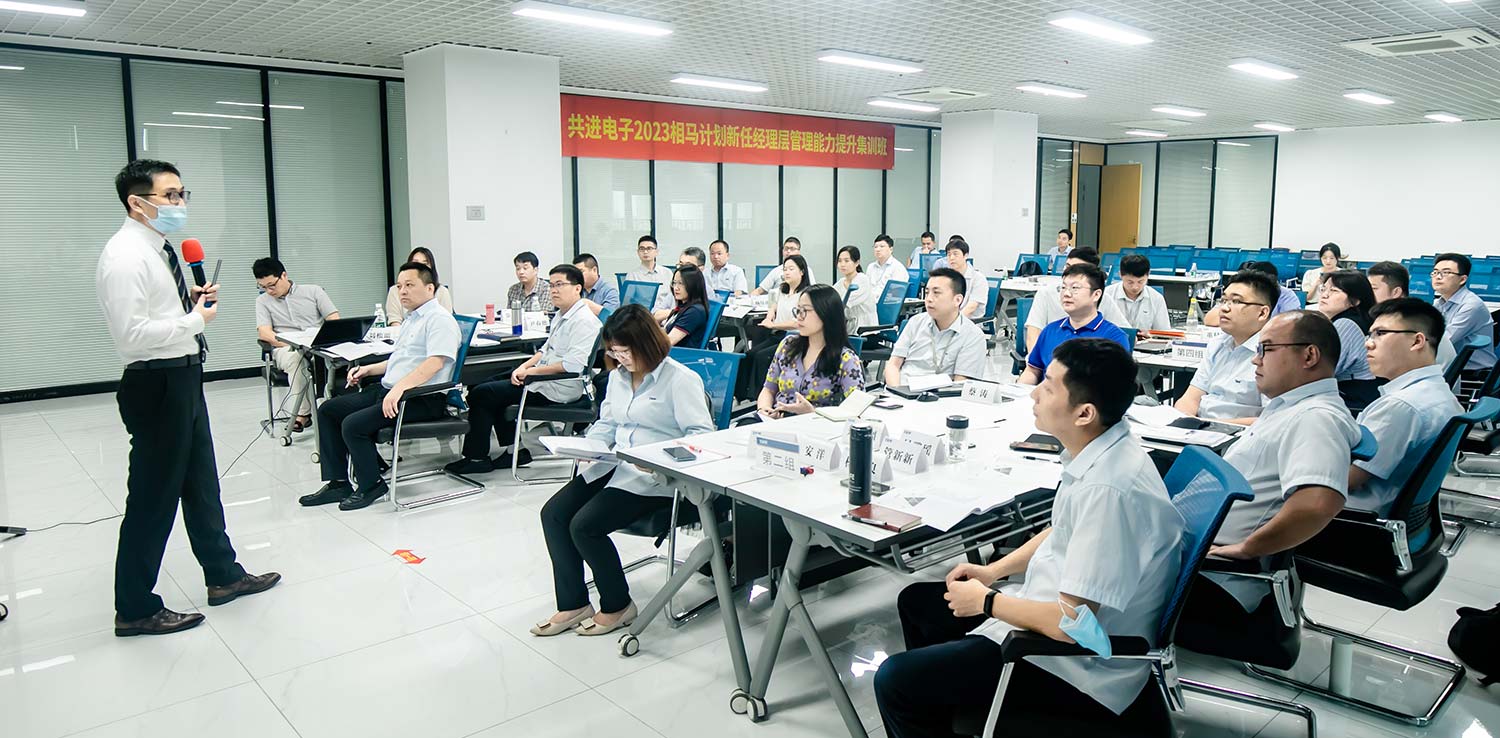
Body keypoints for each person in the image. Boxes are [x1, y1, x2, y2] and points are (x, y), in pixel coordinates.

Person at [875, 339, 1183, 737]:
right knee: (918, 605)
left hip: (1072, 666)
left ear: (1084, 413)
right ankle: (950, 709)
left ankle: (951, 701)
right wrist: (992, 572)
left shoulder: (1109, 489)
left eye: (1049, 387)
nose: (1034, 393)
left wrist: (988, 601)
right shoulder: (1101, 450)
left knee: (897, 681)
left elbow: (1072, 625)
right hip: (1046, 613)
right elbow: (1062, 530)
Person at [97, 159, 278, 637]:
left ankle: (224, 574)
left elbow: (157, 315)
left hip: (182, 377)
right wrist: (195, 320)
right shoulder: (126, 257)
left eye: (182, 194)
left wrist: (190, 303)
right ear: (137, 203)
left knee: (201, 484)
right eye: (170, 196)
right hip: (156, 383)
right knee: (153, 498)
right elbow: (132, 335)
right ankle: (135, 607)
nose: (179, 204)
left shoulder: (158, 250)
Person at [533, 305, 714, 637]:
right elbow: (608, 423)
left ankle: (618, 605)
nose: (619, 358)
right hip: (612, 464)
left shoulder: (680, 380)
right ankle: (574, 603)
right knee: (553, 515)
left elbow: (700, 438)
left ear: (647, 343)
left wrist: (657, 459)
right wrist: (588, 447)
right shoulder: (617, 377)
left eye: (625, 351)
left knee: (584, 526)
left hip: (654, 477)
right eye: (614, 351)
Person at [1185, 311, 1359, 620]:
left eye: (1266, 349)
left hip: (1207, 573)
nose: (1255, 360)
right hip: (1191, 552)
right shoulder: (1289, 406)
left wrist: (1248, 549)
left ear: (1309, 356)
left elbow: (1317, 504)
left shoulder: (1316, 418)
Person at [301, 261, 461, 511]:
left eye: (410, 285)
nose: (402, 291)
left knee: (353, 425)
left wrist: (399, 389)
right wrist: (369, 369)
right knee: (329, 410)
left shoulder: (440, 320)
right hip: (393, 391)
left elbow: (435, 363)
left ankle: (371, 484)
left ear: (430, 288)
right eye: (399, 286)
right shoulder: (412, 318)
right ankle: (338, 483)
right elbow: (401, 360)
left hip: (420, 399)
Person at [445, 264, 602, 474]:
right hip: (543, 379)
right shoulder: (562, 314)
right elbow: (545, 350)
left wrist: (531, 373)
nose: (554, 290)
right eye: (551, 285)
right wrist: (524, 366)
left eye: (559, 285)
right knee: (481, 386)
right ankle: (514, 451)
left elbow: (571, 366)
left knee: (484, 394)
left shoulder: (584, 321)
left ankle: (477, 458)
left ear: (577, 288)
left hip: (557, 387)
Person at [1348, 298, 1462, 516]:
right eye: (1370, 334)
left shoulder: (1401, 407)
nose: (1368, 344)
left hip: (1355, 517)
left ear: (1417, 341)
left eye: (1380, 333)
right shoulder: (1440, 393)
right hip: (1406, 516)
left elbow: (1348, 479)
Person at [1175, 269, 1276, 423]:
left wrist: (1209, 426)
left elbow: (1273, 419)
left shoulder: (1273, 354)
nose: (1224, 308)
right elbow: (1190, 399)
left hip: (1240, 434)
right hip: (1201, 429)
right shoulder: (1217, 345)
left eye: (1236, 301)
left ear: (1262, 313)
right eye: (1223, 300)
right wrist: (1183, 421)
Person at [253, 257, 340, 432]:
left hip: (317, 344)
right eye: (262, 287)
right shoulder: (262, 301)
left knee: (340, 360)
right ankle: (302, 414)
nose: (268, 291)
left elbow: (333, 318)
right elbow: (264, 333)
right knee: (297, 359)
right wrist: (292, 343)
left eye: (271, 285)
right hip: (285, 347)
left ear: (284, 275)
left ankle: (337, 408)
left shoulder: (313, 291)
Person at [757, 285, 865, 418]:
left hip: (817, 426)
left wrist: (812, 412)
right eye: (798, 310)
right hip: (775, 422)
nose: (799, 317)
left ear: (826, 313)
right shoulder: (788, 346)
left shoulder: (846, 359)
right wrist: (764, 410)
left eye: (806, 310)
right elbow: (768, 389)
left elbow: (857, 411)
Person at [1020, 264, 1130, 385]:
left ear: (1096, 295)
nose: (1066, 294)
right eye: (1063, 287)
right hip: (1048, 395)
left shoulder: (1114, 338)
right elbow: (1033, 370)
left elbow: (1116, 385)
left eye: (1075, 288)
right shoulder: (1050, 330)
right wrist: (1019, 390)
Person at [884, 267, 989, 386]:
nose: (928, 299)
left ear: (957, 300)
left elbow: (961, 384)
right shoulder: (915, 322)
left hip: (939, 395)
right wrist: (896, 391)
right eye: (927, 293)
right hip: (901, 389)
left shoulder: (973, 336)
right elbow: (893, 365)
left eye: (936, 293)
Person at [1024, 247, 1128, 349]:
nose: (1069, 271)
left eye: (1077, 269)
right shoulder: (1046, 293)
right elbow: (1033, 332)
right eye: (1067, 266)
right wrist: (1036, 357)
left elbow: (1124, 330)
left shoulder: (1103, 297)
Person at [1368, 260, 1457, 367]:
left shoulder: (1406, 321)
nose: (1368, 294)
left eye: (1373, 289)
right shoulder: (1402, 314)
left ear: (1396, 292)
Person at [1315, 269, 1381, 409]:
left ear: (1355, 301)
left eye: (1334, 291)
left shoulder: (1346, 324)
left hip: (1354, 398)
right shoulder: (1358, 319)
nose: (1324, 295)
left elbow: (1322, 370)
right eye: (1323, 289)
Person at [1432, 252, 1497, 374]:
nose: (1438, 277)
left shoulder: (1471, 305)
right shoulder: (1438, 303)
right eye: (1435, 272)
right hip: (1450, 366)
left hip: (1473, 372)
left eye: (1446, 272)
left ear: (1462, 279)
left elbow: (1444, 342)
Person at [386, 246, 454, 325]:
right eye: (415, 263)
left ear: (429, 289)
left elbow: (445, 320)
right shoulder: (395, 291)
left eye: (425, 264)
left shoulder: (442, 292)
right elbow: (394, 320)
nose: (420, 266)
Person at [1103, 254, 1170, 332]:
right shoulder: (1106, 295)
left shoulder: (1157, 299)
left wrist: (1149, 335)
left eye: (1140, 282)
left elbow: (1163, 332)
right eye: (1130, 282)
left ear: (1148, 274)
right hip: (1112, 339)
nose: (1135, 287)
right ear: (1120, 274)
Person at [656, 263, 711, 347]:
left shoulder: (694, 311)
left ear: (693, 285)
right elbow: (666, 331)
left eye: (681, 283)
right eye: (674, 283)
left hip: (678, 353)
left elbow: (669, 342)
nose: (676, 288)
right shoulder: (683, 307)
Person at [834, 245, 878, 331]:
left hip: (866, 330)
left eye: (847, 261)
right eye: (839, 261)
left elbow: (845, 303)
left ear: (857, 263)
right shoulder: (841, 282)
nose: (842, 264)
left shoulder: (862, 280)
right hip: (850, 329)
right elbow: (830, 297)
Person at [626, 235, 675, 312]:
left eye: (649, 248)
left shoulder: (667, 272)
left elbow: (674, 296)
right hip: (644, 314)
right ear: (638, 252)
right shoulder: (633, 275)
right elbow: (627, 301)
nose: (645, 252)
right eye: (642, 249)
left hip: (666, 313)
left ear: (656, 252)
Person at [752, 236, 817, 294]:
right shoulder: (776, 271)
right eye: (786, 248)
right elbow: (759, 290)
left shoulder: (806, 270)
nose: (788, 251)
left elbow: (813, 291)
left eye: (792, 249)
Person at [945, 239, 989, 319]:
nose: (951, 258)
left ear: (965, 256)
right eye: (949, 254)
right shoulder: (947, 278)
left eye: (955, 254)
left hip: (970, 322)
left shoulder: (978, 278)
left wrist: (953, 322)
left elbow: (970, 308)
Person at [866, 233, 910, 298]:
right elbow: (866, 288)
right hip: (869, 301)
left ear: (891, 249)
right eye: (875, 247)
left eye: (882, 246)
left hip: (886, 302)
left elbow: (897, 294)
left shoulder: (897, 267)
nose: (878, 249)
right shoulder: (871, 267)